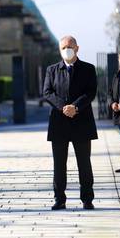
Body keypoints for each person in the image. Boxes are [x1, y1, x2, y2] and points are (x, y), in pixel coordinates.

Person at [43, 36, 97, 211]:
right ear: (60, 50)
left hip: (82, 122)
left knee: (84, 163)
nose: (67, 49)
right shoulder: (52, 70)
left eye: (70, 46)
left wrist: (75, 107)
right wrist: (63, 107)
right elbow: (47, 92)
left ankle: (87, 198)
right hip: (59, 122)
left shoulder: (88, 69)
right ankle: (59, 199)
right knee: (59, 163)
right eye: (64, 47)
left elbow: (91, 92)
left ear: (77, 48)